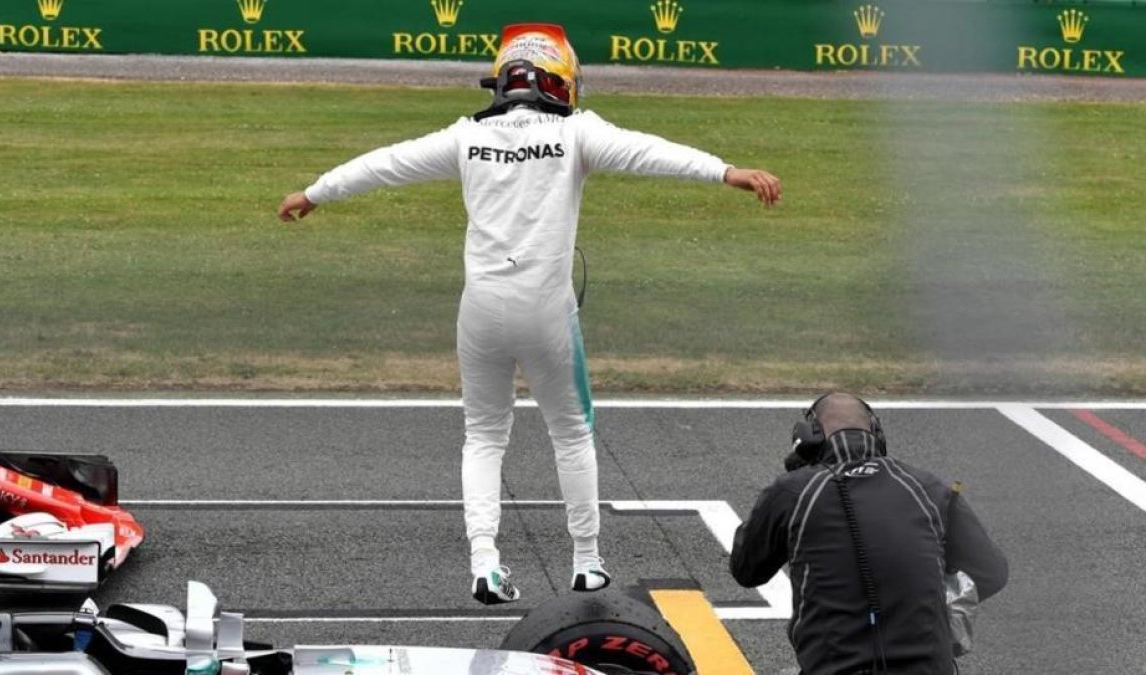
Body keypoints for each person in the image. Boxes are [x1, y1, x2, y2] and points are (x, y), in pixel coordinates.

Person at [278, 23, 782, 606]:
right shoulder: (577, 132)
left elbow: (387, 163)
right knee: (571, 433)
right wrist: (728, 171)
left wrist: (314, 192)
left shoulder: (466, 136)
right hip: (547, 313)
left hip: (482, 311)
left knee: (484, 437)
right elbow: (652, 152)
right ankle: (587, 563)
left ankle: (485, 562)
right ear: (560, 83)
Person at [730, 392, 1008, 674]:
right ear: (876, 433)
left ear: (809, 437)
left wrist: (788, 482)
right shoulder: (928, 488)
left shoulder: (793, 491)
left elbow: (746, 570)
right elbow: (991, 571)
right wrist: (932, 605)